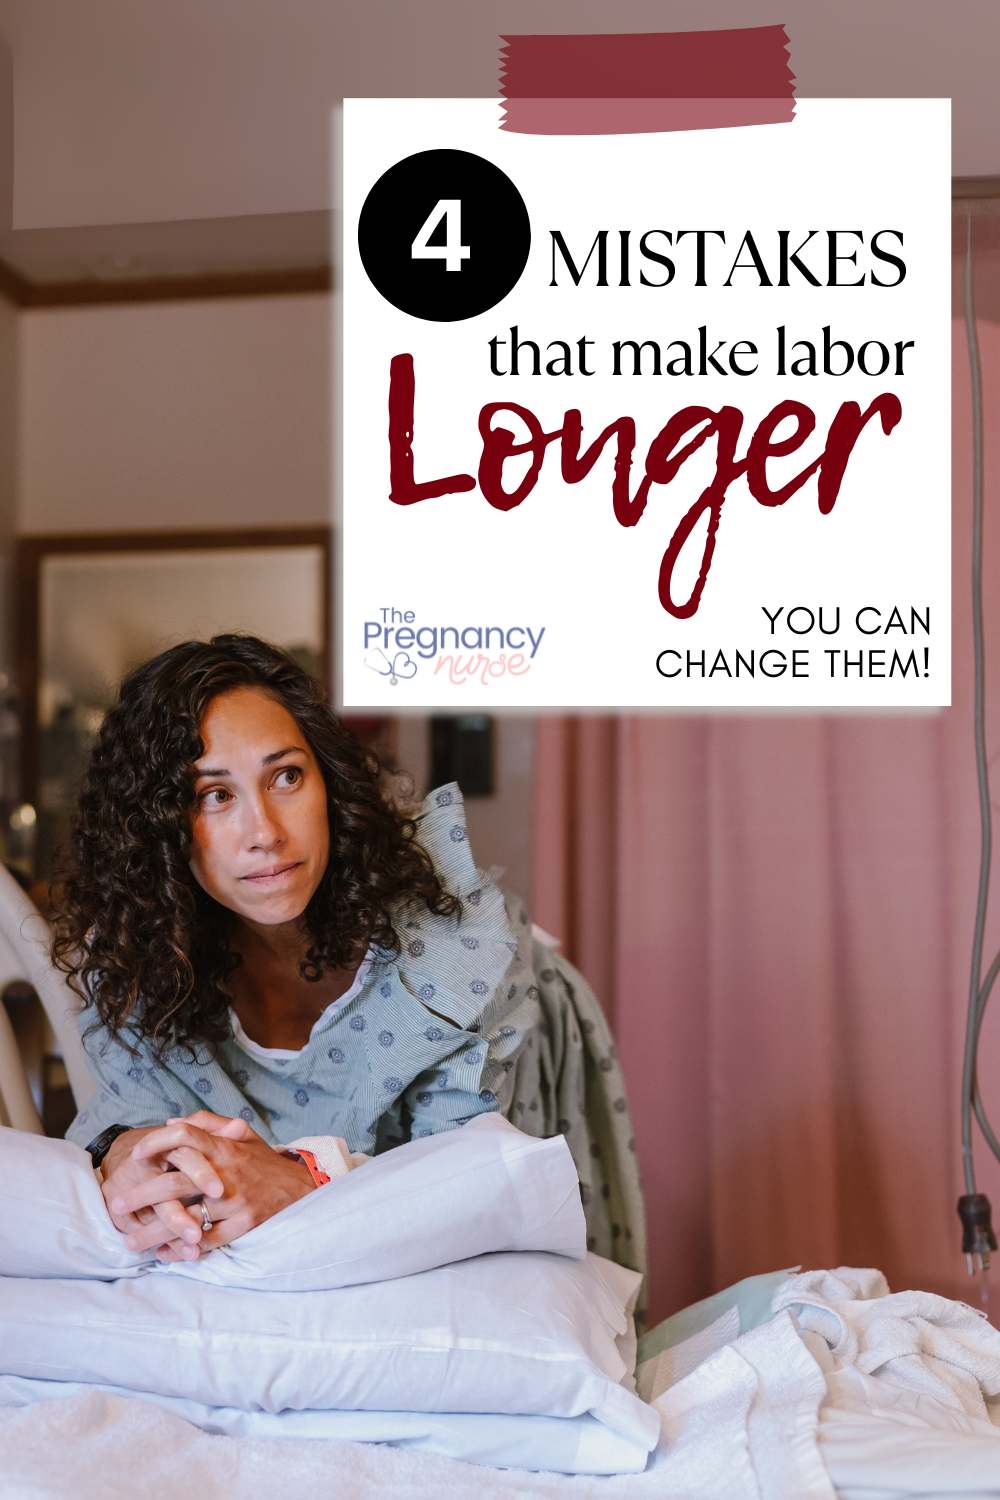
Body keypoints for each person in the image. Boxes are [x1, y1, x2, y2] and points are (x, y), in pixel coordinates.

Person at [55, 634, 538, 1265]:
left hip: (516, 1033)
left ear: (328, 784)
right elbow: (135, 1110)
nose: (266, 834)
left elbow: (475, 1185)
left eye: (285, 776)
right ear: (157, 829)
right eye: (214, 795)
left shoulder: (451, 951)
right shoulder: (142, 957)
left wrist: (308, 1179)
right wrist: (125, 1150)